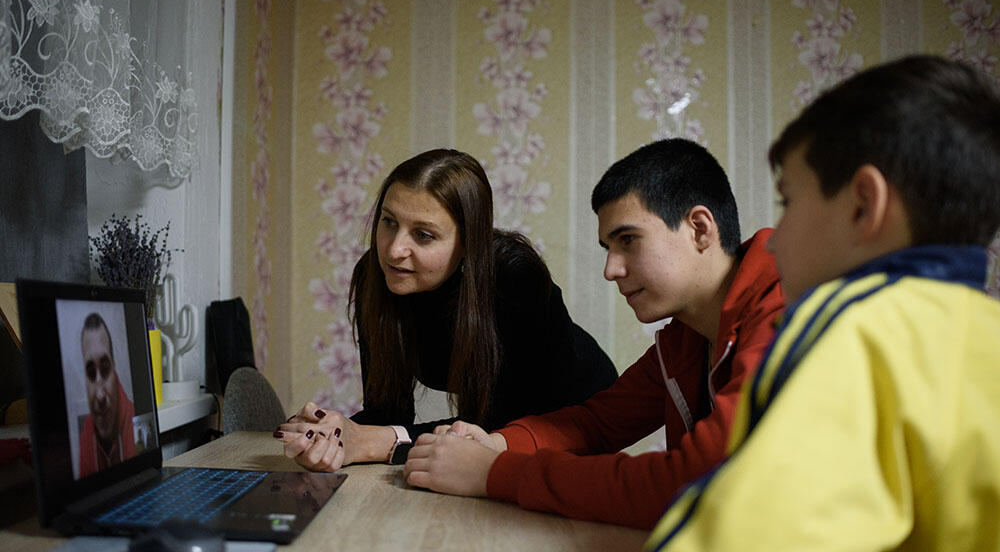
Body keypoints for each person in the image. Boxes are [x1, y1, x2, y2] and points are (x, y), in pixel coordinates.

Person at [645, 55, 1000, 551]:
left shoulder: (855, 331)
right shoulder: (986, 329)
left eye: (788, 202)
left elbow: (750, 538)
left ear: (863, 206)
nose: (772, 241)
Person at [402, 138, 786, 529]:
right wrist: (497, 443)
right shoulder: (684, 338)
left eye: (628, 241)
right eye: (608, 247)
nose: (611, 269)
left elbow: (695, 484)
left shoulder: (784, 311)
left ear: (700, 229)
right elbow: (596, 423)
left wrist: (494, 472)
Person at [276, 149, 617, 469]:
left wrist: (374, 441)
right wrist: (328, 435)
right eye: (389, 222)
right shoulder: (375, 276)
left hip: (573, 413)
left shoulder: (514, 279)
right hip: (500, 427)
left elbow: (499, 429)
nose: (394, 250)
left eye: (423, 235)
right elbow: (386, 416)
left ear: (469, 243)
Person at [78, 312, 136, 478]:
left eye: (105, 370)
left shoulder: (134, 419)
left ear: (114, 370)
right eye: (90, 372)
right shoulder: (86, 438)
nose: (100, 394)